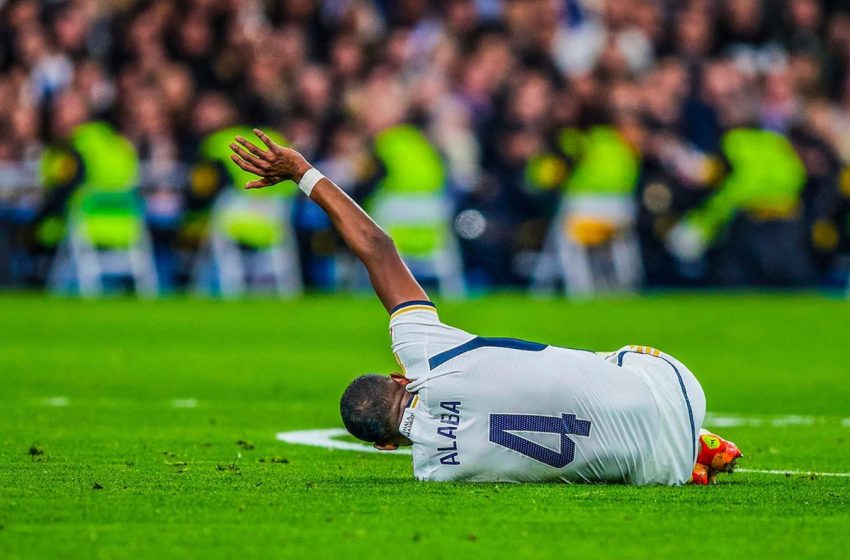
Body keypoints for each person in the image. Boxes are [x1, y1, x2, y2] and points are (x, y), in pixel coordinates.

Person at [228, 129, 743, 485]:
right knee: (611, 361)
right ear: (398, 379)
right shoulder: (422, 353)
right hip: (675, 384)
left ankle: (690, 454)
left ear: (385, 448)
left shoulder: (437, 472)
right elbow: (377, 246)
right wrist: (303, 172)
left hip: (657, 472)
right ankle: (690, 433)